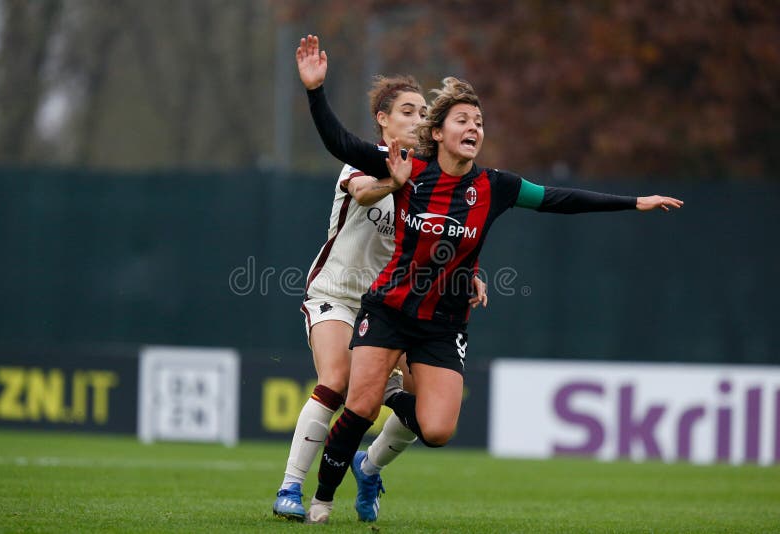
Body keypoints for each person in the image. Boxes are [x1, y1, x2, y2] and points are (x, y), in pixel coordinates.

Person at [296, 34, 684, 524]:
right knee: (360, 404)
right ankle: (321, 502)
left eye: (479, 121)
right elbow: (340, 144)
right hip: (389, 308)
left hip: (443, 322)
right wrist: (315, 91)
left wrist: (633, 202)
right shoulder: (408, 168)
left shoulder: (494, 187)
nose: (474, 127)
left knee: (438, 430)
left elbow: (559, 199)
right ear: (438, 133)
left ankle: (367, 467)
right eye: (463, 120)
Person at [272, 72, 489, 523]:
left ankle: (368, 468)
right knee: (336, 380)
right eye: (407, 111)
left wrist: (471, 275)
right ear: (383, 121)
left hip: (390, 309)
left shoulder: (429, 178)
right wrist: (393, 180)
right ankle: (291, 486)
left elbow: (443, 241)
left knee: (420, 402)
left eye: (423, 113)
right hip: (335, 295)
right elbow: (365, 192)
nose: (417, 119)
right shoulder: (368, 164)